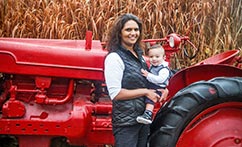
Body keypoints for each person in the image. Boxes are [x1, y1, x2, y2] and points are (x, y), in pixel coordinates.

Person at [104, 14, 167, 147]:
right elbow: (115, 94)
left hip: (142, 120)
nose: (133, 33)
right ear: (119, 33)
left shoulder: (140, 56)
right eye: (128, 30)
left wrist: (164, 89)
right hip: (126, 123)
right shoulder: (114, 58)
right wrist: (145, 92)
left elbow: (149, 79)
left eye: (136, 30)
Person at [136, 44, 171, 124]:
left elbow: (160, 79)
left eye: (157, 56)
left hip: (157, 87)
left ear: (164, 57)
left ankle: (148, 114)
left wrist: (148, 75)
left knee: (150, 100)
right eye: (151, 57)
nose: (154, 59)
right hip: (151, 85)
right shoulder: (153, 66)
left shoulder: (163, 69)